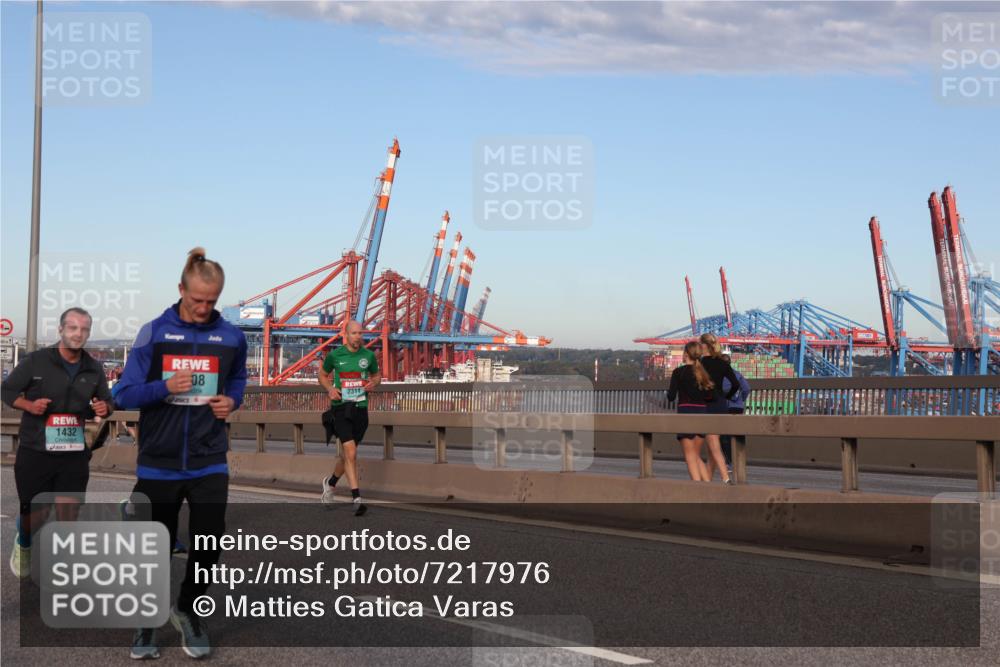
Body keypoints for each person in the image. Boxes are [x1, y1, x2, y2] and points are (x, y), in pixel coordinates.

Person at [114, 248, 247, 660]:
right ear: (181, 290)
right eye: (197, 300)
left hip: (210, 460)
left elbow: (239, 377)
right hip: (160, 461)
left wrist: (233, 401)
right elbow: (123, 393)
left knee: (208, 544)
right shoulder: (152, 333)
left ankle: (187, 609)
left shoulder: (231, 337)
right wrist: (164, 388)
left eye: (212, 300)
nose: (205, 308)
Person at [2, 308, 112, 578]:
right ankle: (24, 542)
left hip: (73, 452)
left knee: (68, 512)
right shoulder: (36, 361)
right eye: (73, 328)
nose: (79, 334)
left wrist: (103, 407)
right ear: (61, 330)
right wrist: (29, 404)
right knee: (36, 515)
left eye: (84, 329)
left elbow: (108, 404)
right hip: (36, 450)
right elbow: (7, 390)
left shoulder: (94, 368)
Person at [319, 319, 381, 516]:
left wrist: (374, 383)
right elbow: (322, 374)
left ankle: (331, 483)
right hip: (340, 409)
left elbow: (377, 376)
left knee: (348, 455)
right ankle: (357, 499)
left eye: (360, 333)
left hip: (361, 409)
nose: (358, 336)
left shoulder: (369, 355)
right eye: (354, 333)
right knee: (351, 452)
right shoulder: (335, 355)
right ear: (346, 335)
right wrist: (330, 389)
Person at [667, 341, 714, 481]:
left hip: (685, 413)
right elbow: (710, 396)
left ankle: (698, 489)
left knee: (690, 456)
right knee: (695, 455)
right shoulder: (703, 373)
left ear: (686, 354)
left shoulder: (678, 372)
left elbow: (671, 397)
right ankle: (708, 487)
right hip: (702, 414)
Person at [698, 333, 740, 484]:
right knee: (711, 449)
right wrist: (727, 396)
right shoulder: (723, 363)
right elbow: (736, 384)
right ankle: (707, 483)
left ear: (705, 345)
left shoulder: (701, 364)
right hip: (721, 405)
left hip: (707, 405)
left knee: (714, 445)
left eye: (700, 344)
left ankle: (726, 478)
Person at [712, 353, 752, 481]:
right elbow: (746, 388)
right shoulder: (738, 374)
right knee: (738, 435)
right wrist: (741, 400)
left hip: (726, 408)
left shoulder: (720, 376)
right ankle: (740, 461)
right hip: (738, 408)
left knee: (724, 436)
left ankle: (729, 463)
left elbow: (719, 391)